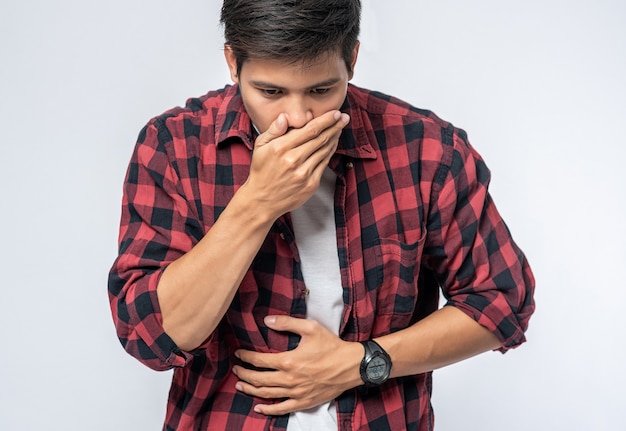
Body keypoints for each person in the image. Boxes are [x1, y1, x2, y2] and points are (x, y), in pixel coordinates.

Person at [108, 1, 535, 430]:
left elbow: (501, 302)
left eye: (320, 90)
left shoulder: (427, 149)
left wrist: (361, 362)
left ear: (351, 60)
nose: (297, 118)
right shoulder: (174, 147)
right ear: (233, 63)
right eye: (271, 92)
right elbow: (150, 336)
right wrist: (258, 203)